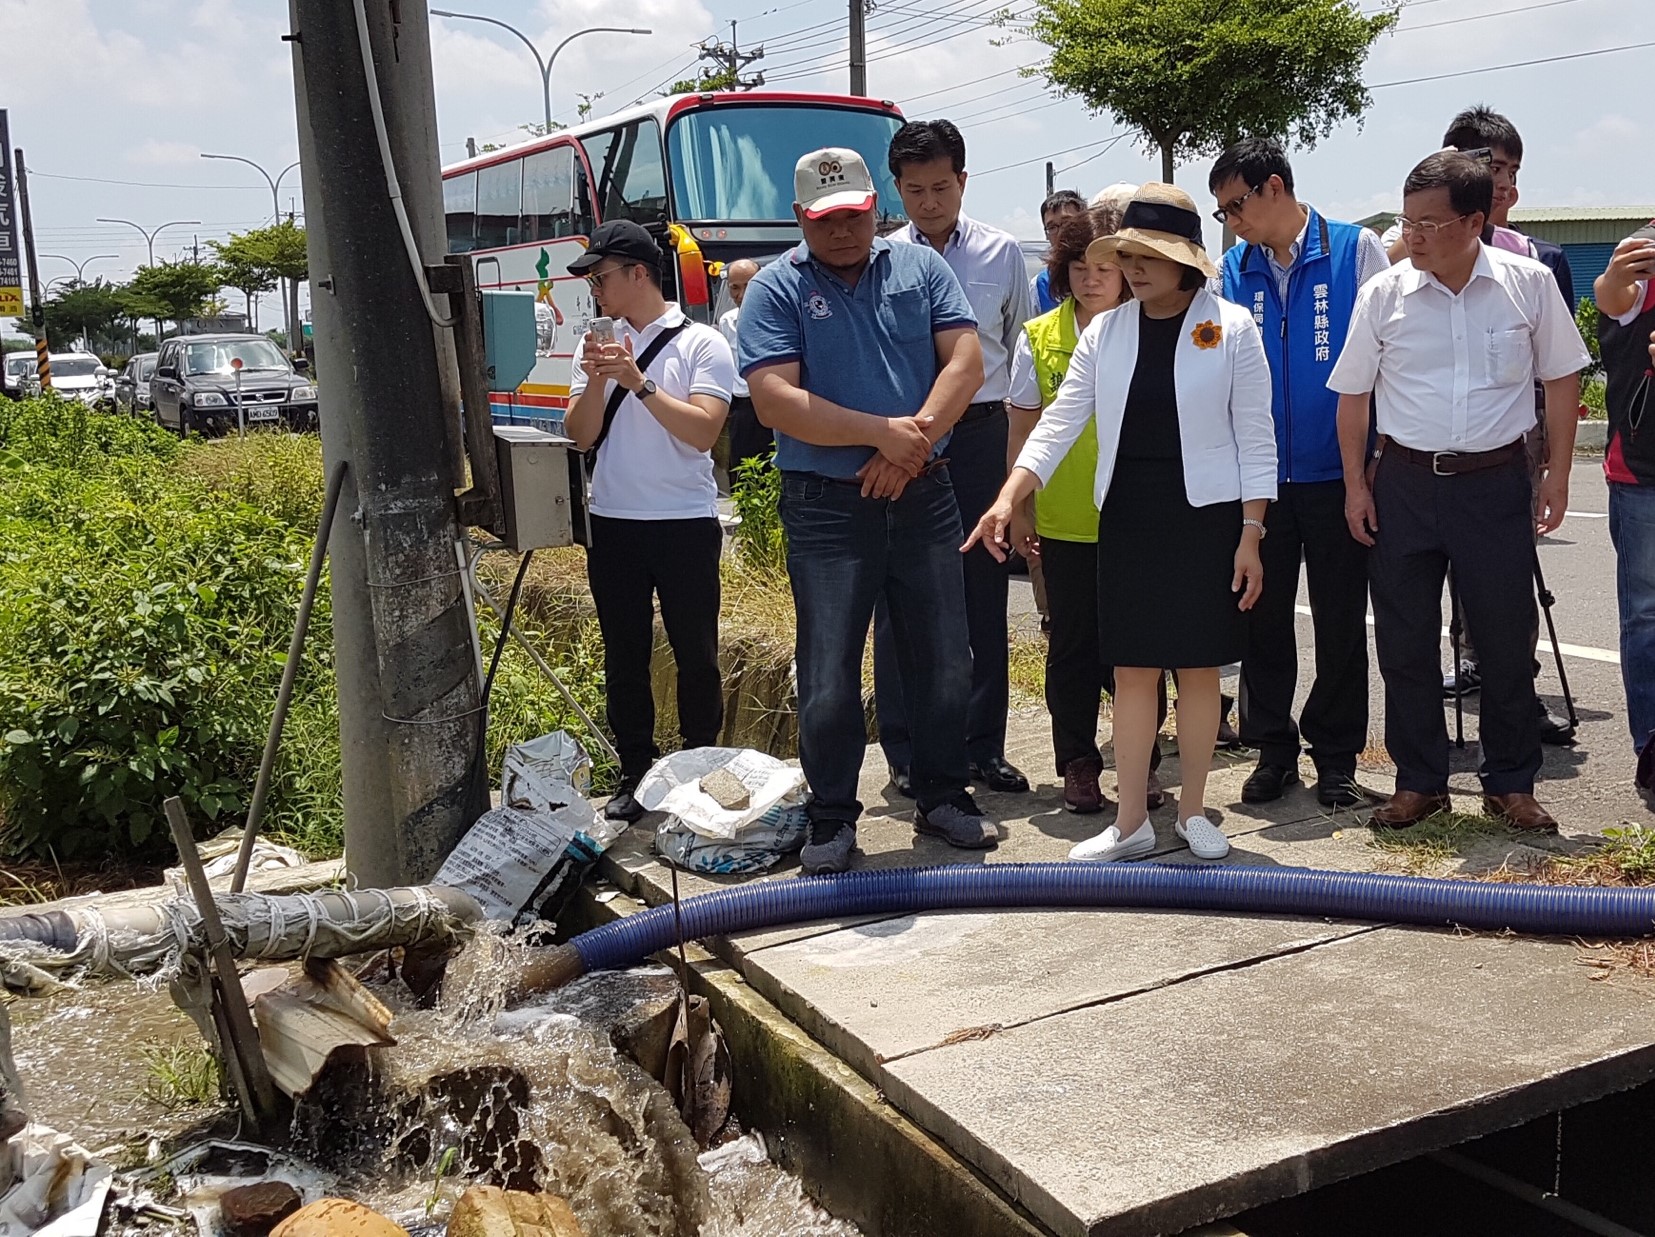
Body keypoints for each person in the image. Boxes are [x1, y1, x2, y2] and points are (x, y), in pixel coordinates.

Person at [968, 183, 1277, 863]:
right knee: (1132, 667)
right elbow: (1059, 420)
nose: (1132, 268)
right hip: (1129, 512)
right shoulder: (1106, 330)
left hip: (1207, 514)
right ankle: (1130, 817)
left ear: (1186, 260)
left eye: (1148, 255)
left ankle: (1194, 810)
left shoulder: (1230, 326)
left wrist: (1252, 532)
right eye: (1126, 253)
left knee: (1198, 670)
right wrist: (1009, 493)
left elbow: (1256, 436)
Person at [738, 146, 995, 875]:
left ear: (873, 209)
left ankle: (943, 793)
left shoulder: (919, 269)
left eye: (852, 216)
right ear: (799, 218)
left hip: (924, 493)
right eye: (824, 221)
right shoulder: (775, 288)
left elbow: (965, 363)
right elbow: (774, 399)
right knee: (828, 670)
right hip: (825, 507)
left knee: (946, 657)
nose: (841, 232)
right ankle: (831, 815)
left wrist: (905, 448)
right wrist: (877, 433)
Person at [1331, 152, 1589, 832]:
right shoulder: (1382, 294)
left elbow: (1562, 380)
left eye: (1427, 223)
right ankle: (1418, 781)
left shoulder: (1527, 285)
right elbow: (1351, 396)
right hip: (1403, 483)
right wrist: (1357, 484)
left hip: (1494, 482)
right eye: (1405, 220)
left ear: (1474, 221)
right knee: (1404, 640)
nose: (1411, 236)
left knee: (1505, 639)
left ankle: (1510, 781)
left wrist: (1555, 473)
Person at [1208, 137, 1389, 809]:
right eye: (1222, 210)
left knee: (1341, 617)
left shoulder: (1353, 250)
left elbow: (1382, 356)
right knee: (1260, 615)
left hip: (1337, 473)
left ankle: (1335, 757)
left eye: (1236, 204)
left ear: (1274, 188)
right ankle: (1273, 748)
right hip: (1258, 480)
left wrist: (1368, 466)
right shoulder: (1231, 270)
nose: (1231, 220)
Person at [875, 119, 1033, 798]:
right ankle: (904, 748)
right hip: (905, 439)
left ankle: (981, 746)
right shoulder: (880, 258)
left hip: (979, 438)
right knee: (899, 594)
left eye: (941, 186)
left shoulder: (1001, 255)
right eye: (915, 190)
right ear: (897, 189)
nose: (930, 201)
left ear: (962, 181)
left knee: (982, 591)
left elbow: (1016, 350)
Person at [563, 220, 736, 822]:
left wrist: (638, 383)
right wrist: (593, 381)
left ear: (639, 273)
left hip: (684, 521)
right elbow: (579, 437)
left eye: (601, 277)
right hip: (613, 521)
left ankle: (701, 765)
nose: (594, 290)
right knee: (624, 654)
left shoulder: (701, 343)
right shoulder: (597, 345)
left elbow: (703, 433)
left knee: (697, 652)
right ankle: (635, 770)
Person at [1005, 202, 1143, 814]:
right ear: (1062, 271)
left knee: (1141, 651)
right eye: (1080, 267)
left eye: (1105, 267)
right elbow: (1023, 428)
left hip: (1139, 517)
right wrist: (1020, 508)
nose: (1092, 279)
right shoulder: (1038, 337)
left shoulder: (1150, 328)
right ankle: (1079, 766)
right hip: (1064, 520)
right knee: (1071, 650)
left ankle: (1138, 765)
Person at [1591, 220, 1655, 788]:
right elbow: (1611, 298)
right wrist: (1616, 273)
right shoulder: (1642, 252)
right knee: (1646, 615)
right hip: (1642, 473)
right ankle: (1651, 749)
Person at [717, 258, 771, 482]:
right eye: (735, 288)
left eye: (749, 285)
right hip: (743, 409)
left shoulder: (779, 318)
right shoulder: (727, 322)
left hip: (774, 404)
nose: (741, 294)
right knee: (743, 476)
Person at [1031, 189, 1087, 313]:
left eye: (1067, 223)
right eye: (1052, 227)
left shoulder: (1108, 273)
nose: (1061, 233)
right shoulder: (1041, 285)